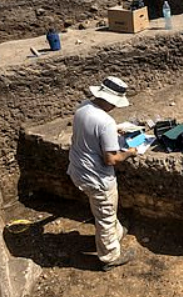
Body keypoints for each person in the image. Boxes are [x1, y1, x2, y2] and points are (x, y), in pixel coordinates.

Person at [67, 76, 138, 271]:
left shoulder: (83, 107)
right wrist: (130, 152)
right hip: (97, 177)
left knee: (102, 208)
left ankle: (117, 232)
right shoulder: (105, 121)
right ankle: (109, 257)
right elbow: (111, 160)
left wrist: (113, 130)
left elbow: (91, 131)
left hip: (78, 170)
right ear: (110, 100)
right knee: (105, 216)